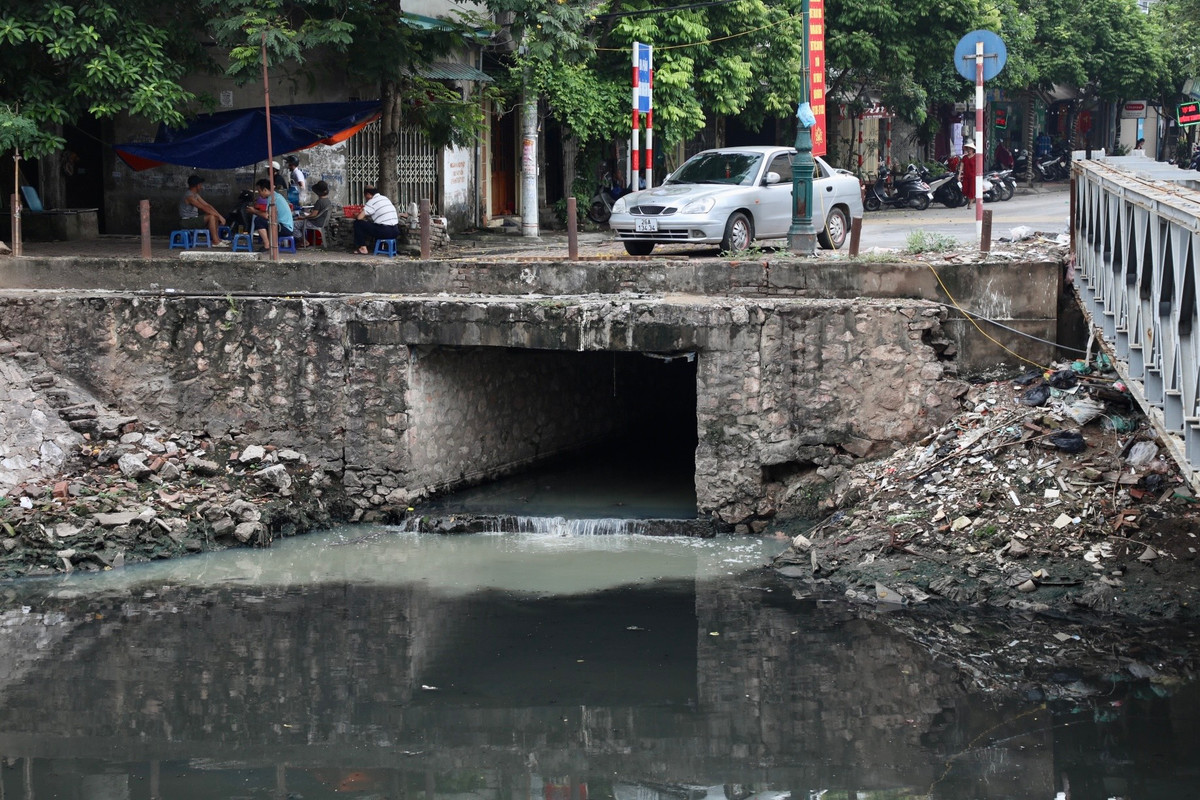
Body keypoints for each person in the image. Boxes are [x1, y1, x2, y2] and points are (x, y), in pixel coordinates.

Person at [179, 175, 229, 246]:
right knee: (211, 216)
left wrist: (219, 216)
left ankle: (218, 239)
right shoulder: (189, 196)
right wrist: (219, 216)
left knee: (214, 216)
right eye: (200, 184)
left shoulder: (195, 195)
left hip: (193, 219)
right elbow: (203, 207)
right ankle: (215, 241)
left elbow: (207, 205)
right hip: (186, 221)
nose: (201, 186)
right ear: (197, 185)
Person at [246, 178, 294, 251]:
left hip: (284, 228)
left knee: (258, 220)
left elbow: (267, 216)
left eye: (259, 191)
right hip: (283, 226)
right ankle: (269, 243)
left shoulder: (273, 198)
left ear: (265, 190)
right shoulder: (275, 196)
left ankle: (267, 245)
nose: (259, 194)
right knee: (263, 221)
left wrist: (254, 211)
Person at [352, 186, 400, 254]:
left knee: (358, 223)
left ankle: (362, 248)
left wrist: (356, 215)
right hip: (395, 231)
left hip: (385, 231)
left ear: (368, 194)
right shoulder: (385, 198)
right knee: (375, 224)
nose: (365, 198)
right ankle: (379, 247)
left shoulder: (372, 202)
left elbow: (359, 218)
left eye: (365, 195)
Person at [293, 180, 332, 247]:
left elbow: (314, 214)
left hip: (315, 223)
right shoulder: (328, 201)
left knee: (293, 225)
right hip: (321, 222)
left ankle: (304, 241)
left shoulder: (319, 202)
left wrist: (303, 217)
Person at [960, 142, 979, 208]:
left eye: (970, 149)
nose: (969, 150)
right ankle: (970, 200)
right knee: (965, 189)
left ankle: (970, 203)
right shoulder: (965, 157)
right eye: (968, 149)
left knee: (972, 190)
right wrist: (959, 174)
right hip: (966, 176)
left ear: (973, 150)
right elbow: (961, 166)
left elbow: (978, 166)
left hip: (973, 176)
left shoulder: (976, 157)